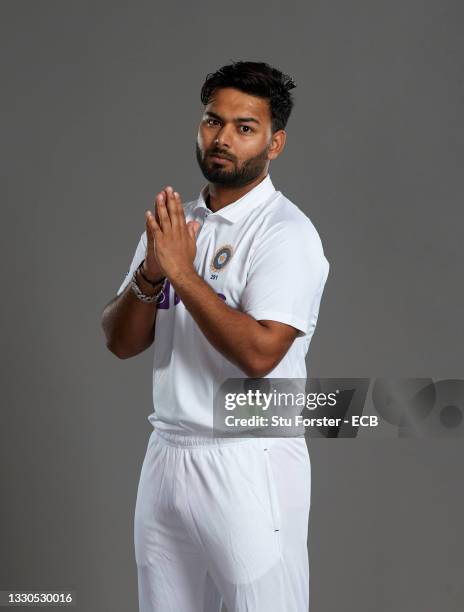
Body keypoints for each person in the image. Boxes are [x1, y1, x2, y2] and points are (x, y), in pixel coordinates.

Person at [101, 60, 330, 612]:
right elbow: (121, 340)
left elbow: (260, 354)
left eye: (244, 127)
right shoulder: (177, 224)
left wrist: (181, 272)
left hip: (248, 459)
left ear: (274, 144)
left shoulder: (286, 233)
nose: (223, 138)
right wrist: (152, 273)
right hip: (167, 453)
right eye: (213, 122)